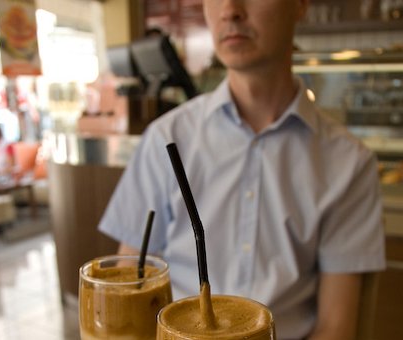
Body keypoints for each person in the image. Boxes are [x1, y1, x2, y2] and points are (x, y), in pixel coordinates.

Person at [98, 1, 386, 339]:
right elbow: (127, 288)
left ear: (300, 5)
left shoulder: (348, 163)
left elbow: (336, 328)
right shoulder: (166, 139)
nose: (230, 10)